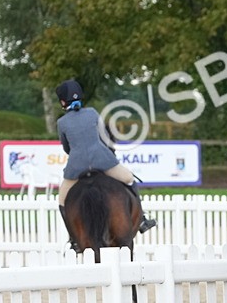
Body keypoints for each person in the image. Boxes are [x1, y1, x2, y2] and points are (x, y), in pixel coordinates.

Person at [54, 79, 156, 241]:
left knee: (62, 199)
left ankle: (73, 238)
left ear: (62, 101)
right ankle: (142, 219)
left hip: (76, 166)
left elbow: (67, 148)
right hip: (102, 160)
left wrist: (77, 153)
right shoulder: (93, 113)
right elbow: (105, 137)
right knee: (129, 179)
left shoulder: (61, 122)